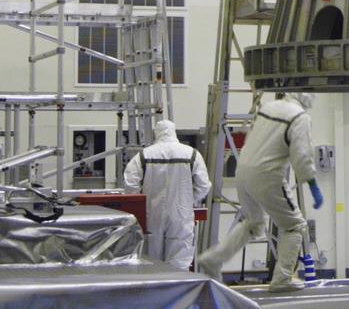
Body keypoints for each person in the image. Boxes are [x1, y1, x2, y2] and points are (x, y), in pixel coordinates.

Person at [199, 91, 323, 292]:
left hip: (243, 171)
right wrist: (313, 184)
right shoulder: (300, 117)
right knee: (295, 226)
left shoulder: (269, 107)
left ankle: (213, 259)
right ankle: (282, 279)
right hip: (268, 176)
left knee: (253, 224)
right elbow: (302, 156)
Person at [123, 119, 211, 270]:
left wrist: (142, 203)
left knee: (151, 261)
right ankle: (176, 291)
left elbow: (130, 185)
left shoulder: (144, 155)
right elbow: (203, 186)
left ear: (156, 133)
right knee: (179, 261)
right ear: (174, 131)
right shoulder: (192, 154)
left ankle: (154, 291)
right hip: (181, 214)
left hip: (151, 214)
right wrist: (189, 200)